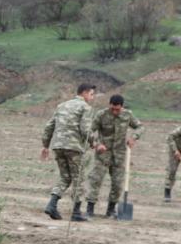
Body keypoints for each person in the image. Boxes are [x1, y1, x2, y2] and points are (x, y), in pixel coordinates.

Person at [40, 83, 96, 221]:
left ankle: (51, 205)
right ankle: (76, 213)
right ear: (84, 93)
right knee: (78, 178)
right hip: (74, 148)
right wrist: (93, 141)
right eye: (92, 94)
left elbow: (49, 127)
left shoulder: (62, 105)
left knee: (65, 177)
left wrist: (45, 145)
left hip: (58, 146)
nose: (92, 98)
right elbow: (85, 129)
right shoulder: (85, 107)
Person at [85, 94, 143, 218]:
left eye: (117, 109)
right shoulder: (101, 114)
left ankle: (111, 210)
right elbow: (89, 131)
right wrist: (96, 144)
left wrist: (134, 137)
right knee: (96, 180)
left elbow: (140, 127)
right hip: (103, 154)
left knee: (117, 184)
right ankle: (90, 209)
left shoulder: (128, 115)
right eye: (112, 109)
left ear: (122, 107)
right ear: (109, 105)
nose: (115, 112)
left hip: (120, 155)